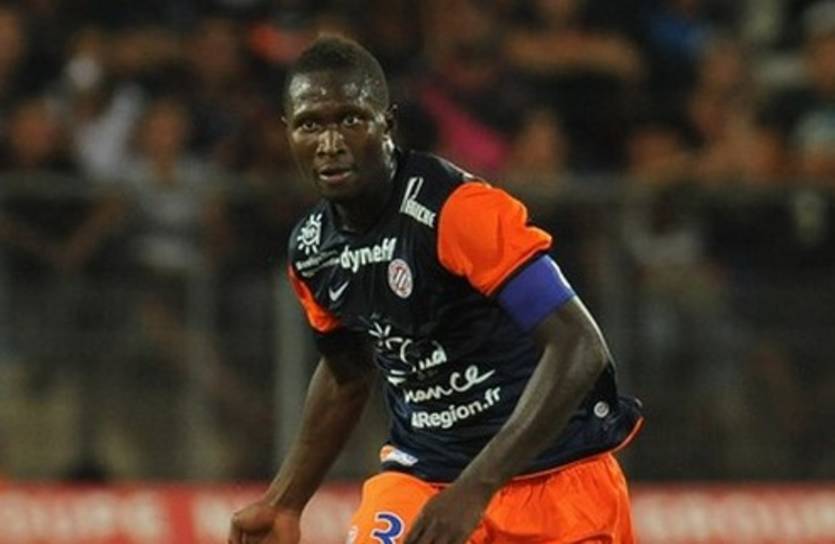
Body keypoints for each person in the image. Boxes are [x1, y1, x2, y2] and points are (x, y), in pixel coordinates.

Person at [229, 36, 642, 544]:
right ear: (288, 132)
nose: (330, 142)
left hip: (558, 481)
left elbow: (579, 347)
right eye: (310, 124)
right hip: (425, 479)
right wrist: (284, 502)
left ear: (387, 123)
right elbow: (346, 373)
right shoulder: (312, 250)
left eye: (350, 119)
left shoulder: (456, 209)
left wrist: (477, 487)